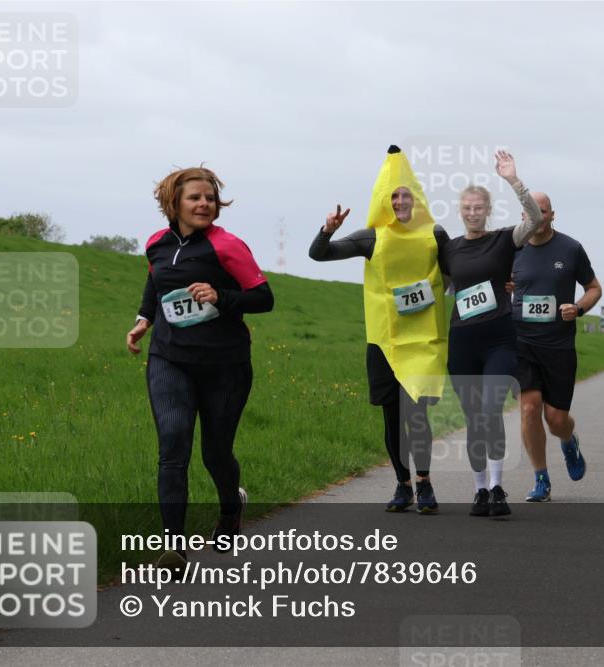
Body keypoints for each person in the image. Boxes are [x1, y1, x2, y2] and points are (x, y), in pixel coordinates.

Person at [127, 166, 275, 571]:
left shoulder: (227, 246)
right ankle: (174, 547)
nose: (204, 204)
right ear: (173, 203)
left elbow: (263, 298)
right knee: (173, 445)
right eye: (195, 197)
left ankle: (231, 509)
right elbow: (154, 286)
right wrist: (143, 320)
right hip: (169, 359)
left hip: (224, 365)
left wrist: (220, 295)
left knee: (215, 453)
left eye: (209, 198)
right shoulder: (156, 244)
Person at [309, 146, 449, 514]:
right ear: (384, 202)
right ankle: (402, 484)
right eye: (394, 196)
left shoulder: (435, 234)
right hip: (384, 341)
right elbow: (318, 255)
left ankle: (424, 481)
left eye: (406, 195)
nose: (400, 201)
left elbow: (459, 270)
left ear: (417, 199)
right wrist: (328, 230)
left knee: (416, 413)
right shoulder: (372, 237)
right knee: (391, 415)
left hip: (422, 339)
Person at [442, 150, 543, 517]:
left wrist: (513, 180)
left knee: (490, 409)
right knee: (473, 417)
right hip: (462, 342)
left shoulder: (503, 240)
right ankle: (480, 490)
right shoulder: (450, 249)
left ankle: (499, 487)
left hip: (499, 339)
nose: (472, 212)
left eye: (478, 207)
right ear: (460, 210)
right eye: (467, 207)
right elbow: (438, 286)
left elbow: (534, 218)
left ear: (487, 210)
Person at [510, 192, 602, 502]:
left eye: (542, 211)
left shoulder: (571, 249)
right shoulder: (512, 248)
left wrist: (578, 308)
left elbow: (594, 288)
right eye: (530, 211)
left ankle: (569, 441)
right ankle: (541, 479)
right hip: (521, 342)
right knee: (529, 408)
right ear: (523, 216)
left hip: (559, 345)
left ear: (552, 215)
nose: (536, 216)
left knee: (556, 420)